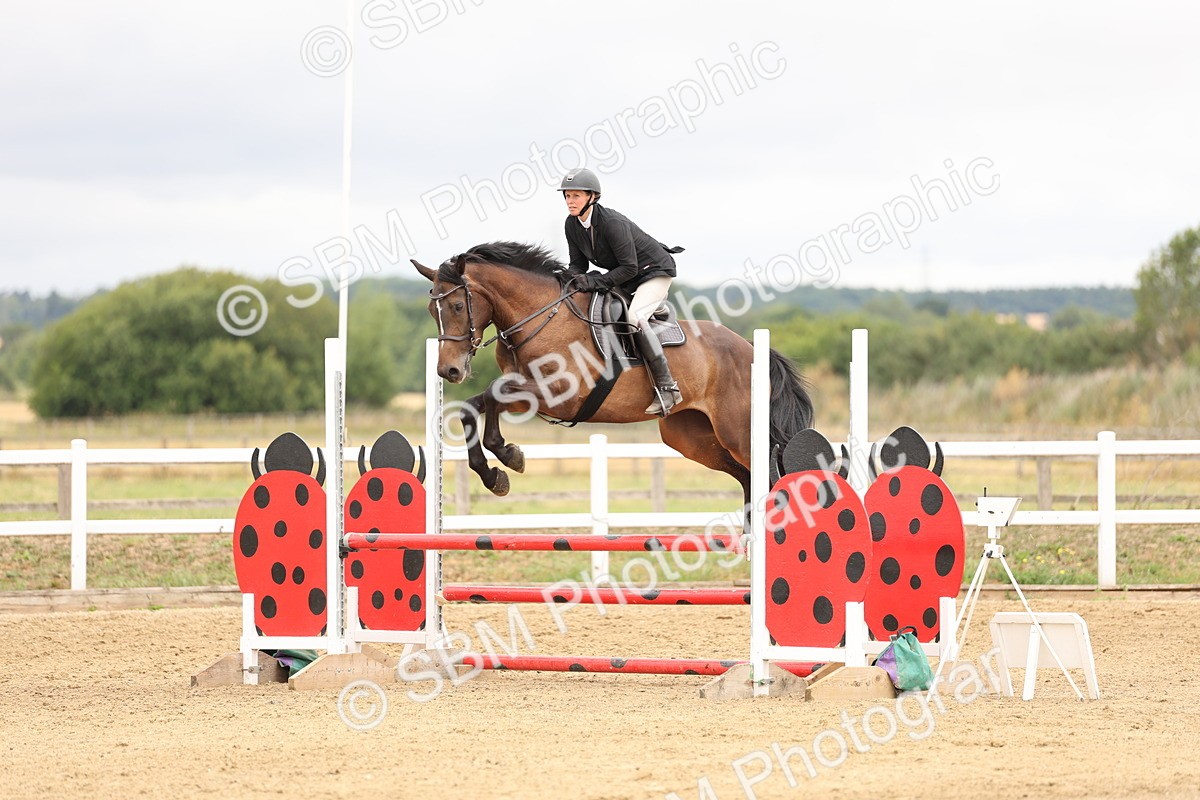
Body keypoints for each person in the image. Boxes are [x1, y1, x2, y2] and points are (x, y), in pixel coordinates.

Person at [559, 167, 684, 416]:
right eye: (567, 196)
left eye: (576, 196)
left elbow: (629, 267)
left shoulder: (612, 223)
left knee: (635, 318)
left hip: (652, 272)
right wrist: (562, 280)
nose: (570, 201)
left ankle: (668, 388)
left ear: (592, 197)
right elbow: (578, 266)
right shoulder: (572, 224)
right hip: (628, 277)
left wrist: (594, 282)